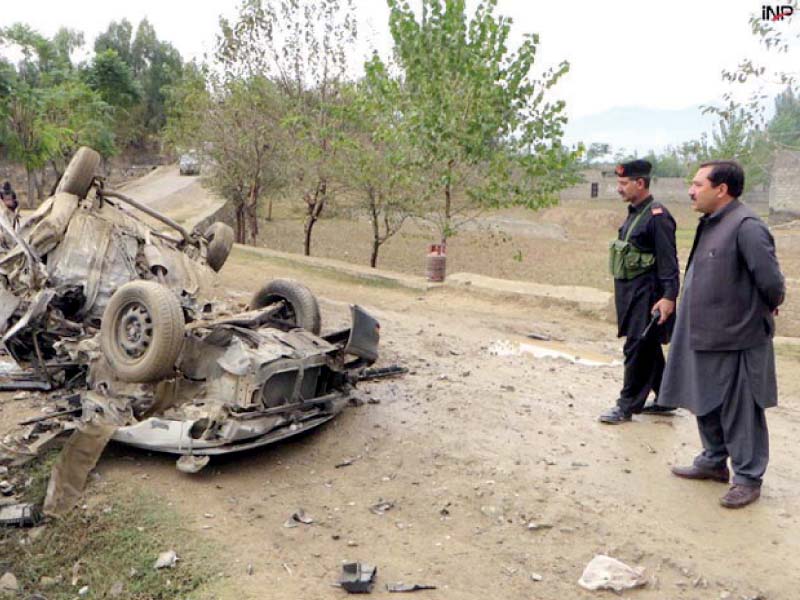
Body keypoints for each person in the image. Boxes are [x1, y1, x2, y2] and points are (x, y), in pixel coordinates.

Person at [659, 160, 784, 508]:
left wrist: (766, 307)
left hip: (739, 336)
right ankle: (714, 461)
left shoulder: (746, 226)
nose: (690, 190)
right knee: (705, 399)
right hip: (704, 333)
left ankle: (747, 477)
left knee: (741, 409)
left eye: (698, 184)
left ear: (721, 189)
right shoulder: (713, 223)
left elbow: (772, 283)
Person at [599, 159, 680, 424]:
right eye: (618, 183)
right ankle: (668, 398)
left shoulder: (658, 216)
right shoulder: (636, 212)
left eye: (624, 183)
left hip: (648, 296)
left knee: (636, 348)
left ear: (640, 183)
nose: (619, 188)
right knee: (648, 347)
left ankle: (626, 406)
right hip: (631, 295)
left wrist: (668, 296)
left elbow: (669, 262)